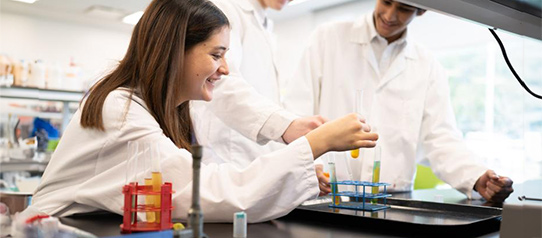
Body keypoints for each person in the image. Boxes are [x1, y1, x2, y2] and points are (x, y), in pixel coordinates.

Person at [31, 0, 378, 223]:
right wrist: (313, 144)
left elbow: (192, 178)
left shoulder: (162, 109)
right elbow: (205, 193)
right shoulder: (120, 111)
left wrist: (293, 171)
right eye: (216, 55)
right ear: (174, 51)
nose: (225, 69)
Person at [284, 0, 513, 202]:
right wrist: (309, 167)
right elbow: (297, 113)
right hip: (326, 195)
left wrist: (476, 177)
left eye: (403, 8)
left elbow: (440, 139)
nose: (390, 15)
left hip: (393, 202)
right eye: (386, 2)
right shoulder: (328, 39)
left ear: (421, 11)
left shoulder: (427, 65)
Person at [191, 0, 309, 169]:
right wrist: (286, 126)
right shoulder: (226, 8)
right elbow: (219, 81)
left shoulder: (265, 24)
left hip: (255, 159)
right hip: (226, 157)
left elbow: (269, 105)